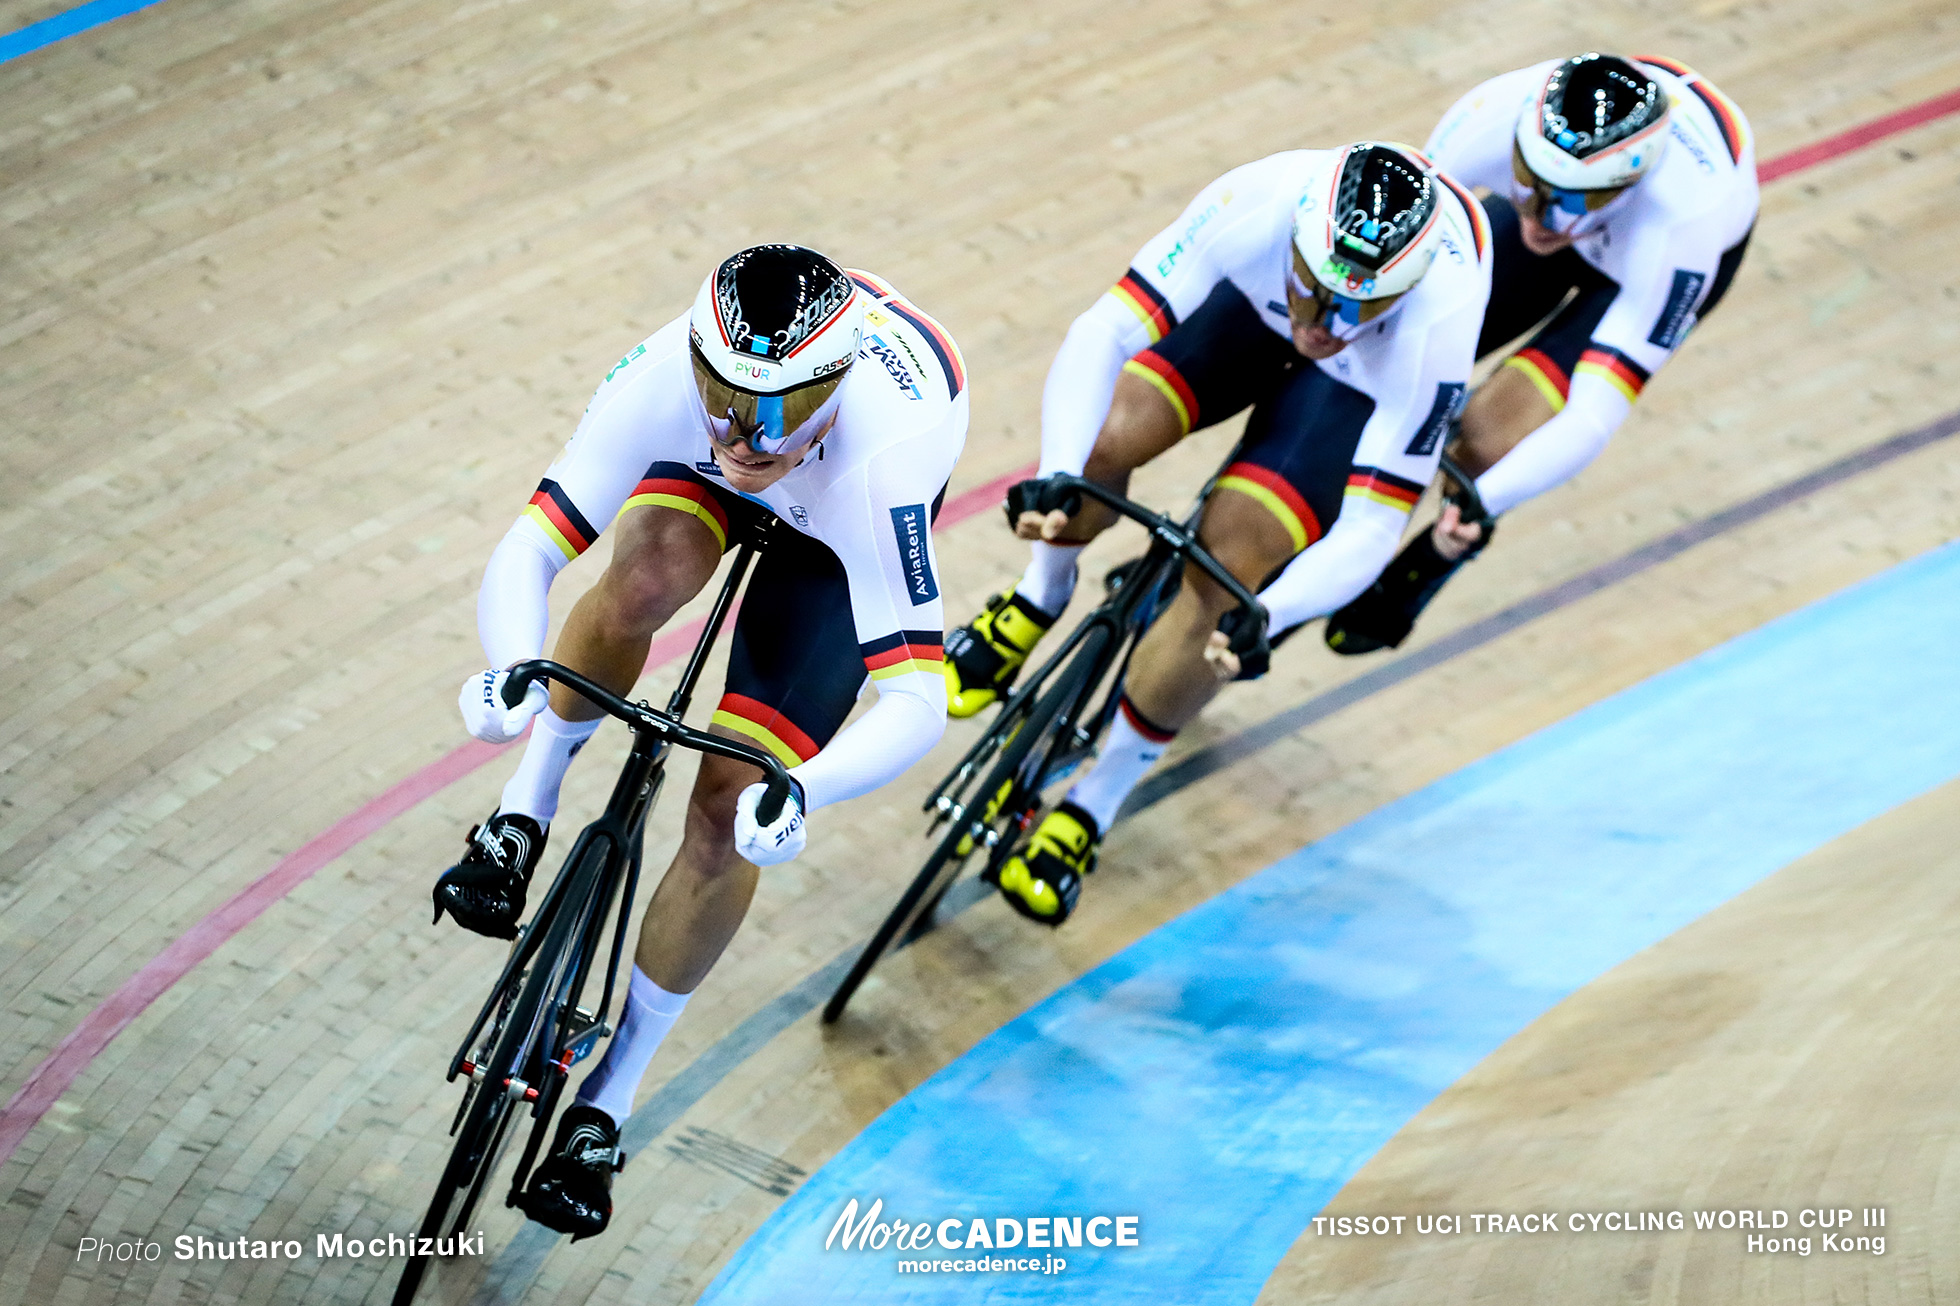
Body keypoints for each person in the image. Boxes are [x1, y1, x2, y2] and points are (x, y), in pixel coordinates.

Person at [434, 245, 967, 1237]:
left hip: (832, 526)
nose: (749, 433)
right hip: (726, 486)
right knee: (637, 583)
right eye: (725, 394)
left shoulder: (886, 456)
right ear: (696, 359)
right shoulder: (659, 383)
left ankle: (608, 1098)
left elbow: (916, 701)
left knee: (729, 801)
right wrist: (511, 663)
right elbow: (535, 544)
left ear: (836, 384)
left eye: (779, 406)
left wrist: (804, 787)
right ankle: (523, 812)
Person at [944, 142, 1491, 924]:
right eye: (1318, 293)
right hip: (1247, 312)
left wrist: (1272, 612)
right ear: (1300, 246)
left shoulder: (1435, 326)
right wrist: (1062, 468)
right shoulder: (1258, 202)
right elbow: (1103, 334)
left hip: (1357, 396)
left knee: (1227, 581)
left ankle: (1094, 802)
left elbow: (1374, 525)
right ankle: (1038, 596)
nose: (1328, 325)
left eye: (1357, 308)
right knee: (1104, 441)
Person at [1315, 53, 1758, 653]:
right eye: (1531, 185)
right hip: (1604, 219)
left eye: (1571, 199)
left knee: (1494, 441)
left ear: (1627, 184)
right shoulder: (1488, 118)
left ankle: (1435, 553)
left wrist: (1485, 498)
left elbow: (1592, 417)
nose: (1545, 220)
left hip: (1638, 267)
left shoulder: (1683, 230)